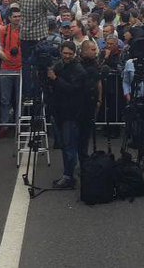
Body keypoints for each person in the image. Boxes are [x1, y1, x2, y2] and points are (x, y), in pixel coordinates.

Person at [49, 41, 88, 189]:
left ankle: (68, 176)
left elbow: (72, 89)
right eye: (64, 53)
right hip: (59, 111)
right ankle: (68, 174)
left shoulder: (79, 70)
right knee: (65, 146)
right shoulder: (59, 66)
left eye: (70, 54)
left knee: (69, 146)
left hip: (72, 114)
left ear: (74, 54)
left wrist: (55, 79)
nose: (67, 56)